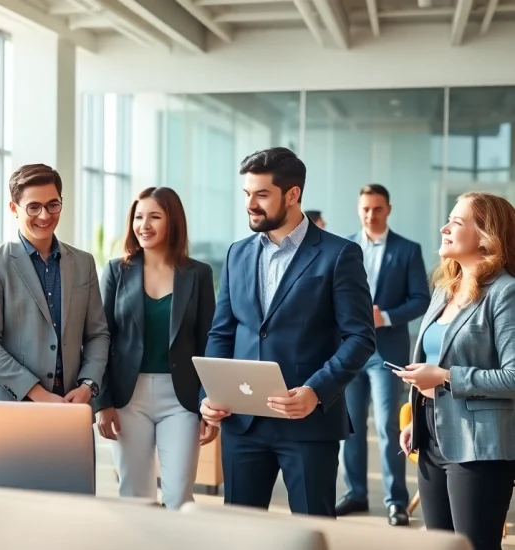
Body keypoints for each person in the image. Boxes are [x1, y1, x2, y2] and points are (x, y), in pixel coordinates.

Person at [200, 147, 376, 517]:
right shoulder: (237, 253)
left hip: (308, 424)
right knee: (240, 536)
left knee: (312, 531)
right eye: (247, 194)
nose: (251, 204)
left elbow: (360, 338)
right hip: (242, 423)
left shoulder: (339, 254)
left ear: (293, 194)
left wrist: (315, 391)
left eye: (262, 194)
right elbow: (222, 332)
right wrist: (210, 394)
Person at [398, 192, 515, 550]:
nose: (443, 228)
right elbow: (431, 360)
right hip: (431, 438)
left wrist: (446, 377)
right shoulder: (443, 290)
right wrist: (415, 419)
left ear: (486, 236)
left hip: (479, 448)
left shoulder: (505, 292)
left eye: (456, 222)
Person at [96, 187, 217, 509]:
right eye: (138, 217)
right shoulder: (116, 271)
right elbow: (99, 338)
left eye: (154, 217)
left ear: (172, 221)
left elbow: (209, 341)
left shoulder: (198, 274)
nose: (143, 225)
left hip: (181, 399)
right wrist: (102, 401)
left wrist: (209, 402)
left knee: (178, 494)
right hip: (127, 398)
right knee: (135, 496)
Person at [0, 163, 109, 405]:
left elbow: (97, 334)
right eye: (33, 207)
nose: (45, 216)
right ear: (14, 208)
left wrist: (88, 385)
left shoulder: (83, 263)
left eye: (53, 205)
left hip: (71, 401)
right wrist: (38, 394)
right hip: (10, 406)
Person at [338, 184, 429, 526]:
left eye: (377, 209)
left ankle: (396, 501)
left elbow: (421, 298)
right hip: (349, 351)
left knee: (390, 427)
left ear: (388, 209)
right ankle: (356, 493)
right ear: (358, 209)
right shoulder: (344, 247)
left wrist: (386, 316)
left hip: (386, 352)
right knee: (351, 428)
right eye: (365, 209)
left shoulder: (407, 250)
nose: (370, 215)